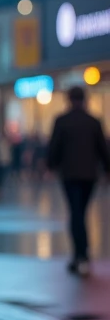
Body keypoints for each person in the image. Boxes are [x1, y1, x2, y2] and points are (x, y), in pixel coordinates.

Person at [47, 86, 109, 277]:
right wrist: (107, 170)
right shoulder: (93, 121)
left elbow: (54, 148)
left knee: (75, 213)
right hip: (89, 175)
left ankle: (79, 254)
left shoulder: (62, 121)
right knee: (81, 211)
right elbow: (103, 149)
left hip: (70, 175)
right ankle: (82, 253)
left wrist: (51, 166)